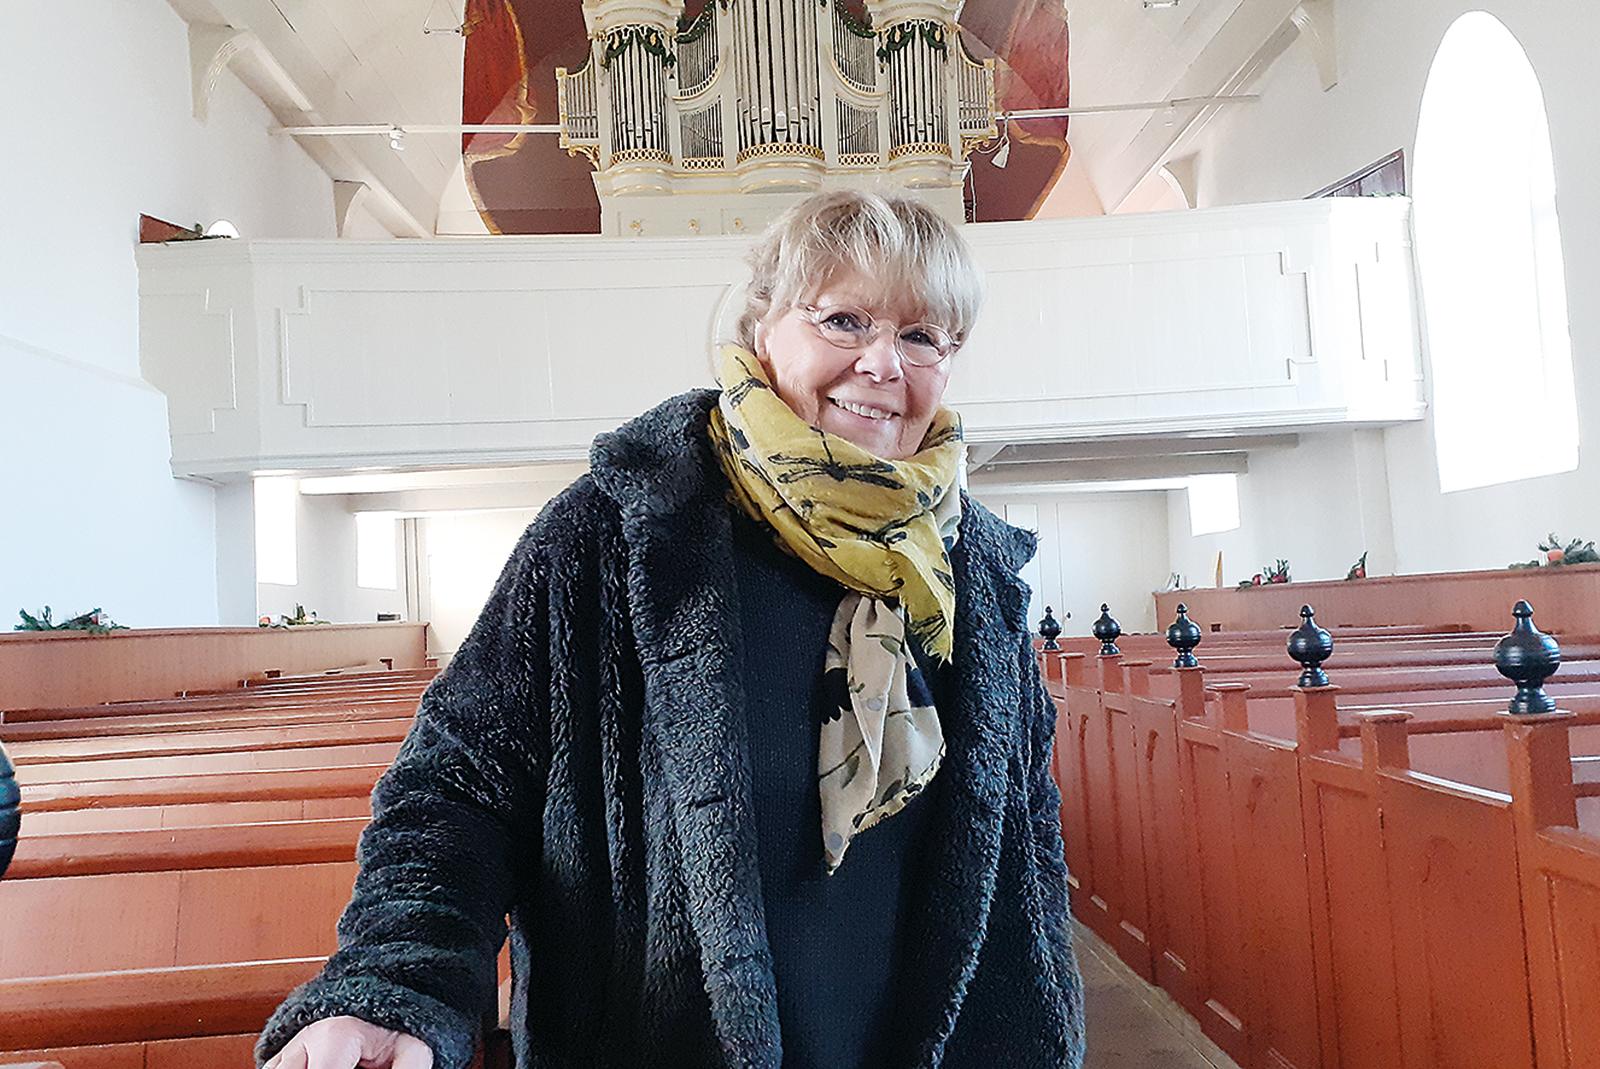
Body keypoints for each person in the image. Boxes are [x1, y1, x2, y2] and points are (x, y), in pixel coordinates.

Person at [257, 190, 1085, 1069]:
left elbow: (1024, 827)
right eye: (844, 320)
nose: (883, 363)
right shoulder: (617, 532)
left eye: (922, 336)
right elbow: (461, 783)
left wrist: (1050, 1017)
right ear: (763, 328)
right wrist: (396, 983)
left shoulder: (973, 570)